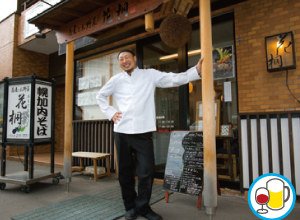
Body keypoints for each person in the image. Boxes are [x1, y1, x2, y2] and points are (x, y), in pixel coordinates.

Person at [96, 49, 203, 220]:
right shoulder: (116, 80)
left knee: (146, 171)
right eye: (121, 59)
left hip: (143, 132)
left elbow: (172, 79)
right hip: (121, 132)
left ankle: (143, 207)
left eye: (127, 58)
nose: (124, 61)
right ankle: (130, 207)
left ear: (135, 59)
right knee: (125, 172)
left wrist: (194, 72)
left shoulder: (149, 75)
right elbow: (100, 96)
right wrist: (111, 113)